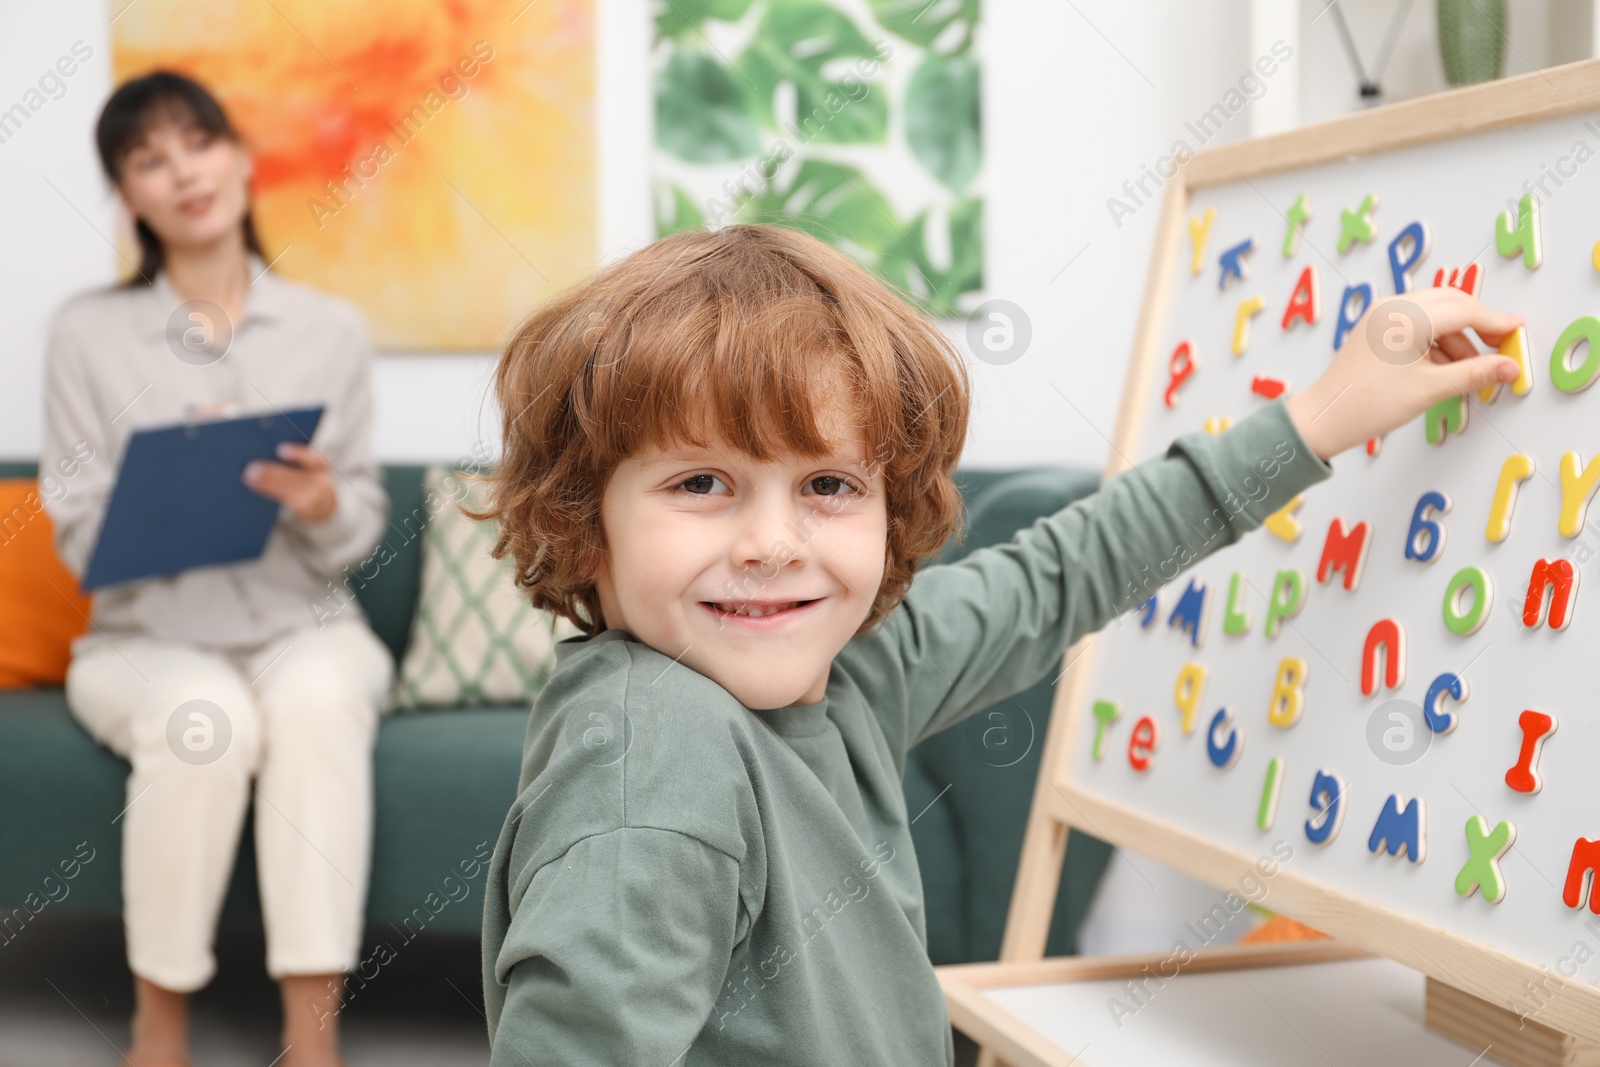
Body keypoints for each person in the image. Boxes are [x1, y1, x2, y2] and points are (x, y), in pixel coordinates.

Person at [470, 223, 1523, 1064]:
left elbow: (1064, 571)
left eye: (829, 484)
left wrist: (1326, 414)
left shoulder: (847, 673)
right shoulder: (656, 749)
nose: (772, 543)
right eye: (702, 483)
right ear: (583, 520)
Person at [41, 71, 393, 1067]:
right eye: (148, 159)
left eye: (197, 142)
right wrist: (171, 494)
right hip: (146, 639)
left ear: (239, 157)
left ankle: (309, 1039)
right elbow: (74, 531)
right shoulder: (85, 334)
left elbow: (361, 521)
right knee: (208, 724)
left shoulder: (330, 329)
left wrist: (321, 504)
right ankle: (160, 1033)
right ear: (129, 197)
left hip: (305, 624)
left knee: (321, 700)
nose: (181, 170)